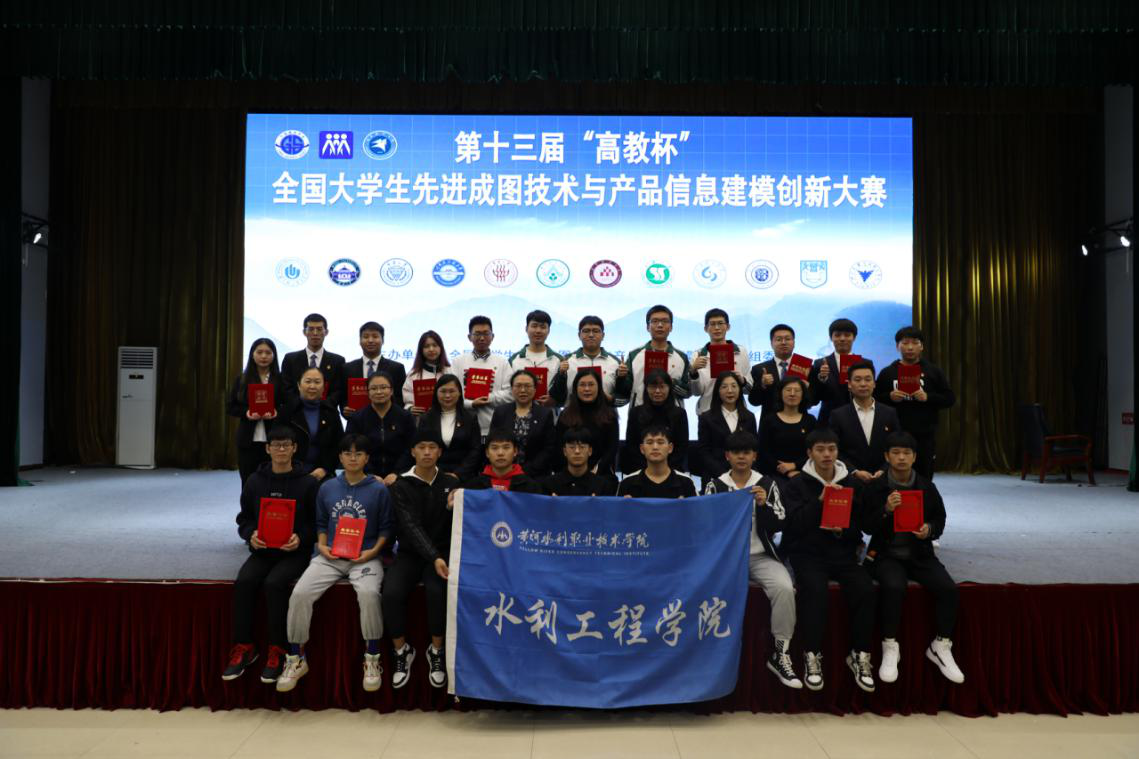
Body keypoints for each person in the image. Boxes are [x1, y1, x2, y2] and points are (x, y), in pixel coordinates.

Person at [276, 434, 394, 693]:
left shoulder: (379, 490)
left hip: (365, 557)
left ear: (367, 458)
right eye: (347, 453)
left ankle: (372, 658)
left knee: (369, 594)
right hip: (330, 556)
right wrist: (322, 546)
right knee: (299, 593)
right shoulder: (327, 487)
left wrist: (372, 552)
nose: (353, 458)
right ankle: (296, 657)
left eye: (358, 454)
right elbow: (320, 522)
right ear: (340, 457)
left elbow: (387, 529)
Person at [781, 428, 880, 693]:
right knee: (815, 591)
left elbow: (863, 525)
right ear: (809, 453)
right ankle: (812, 655)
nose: (827, 454)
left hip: (843, 553)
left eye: (832, 449)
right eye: (820, 449)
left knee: (865, 590)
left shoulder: (852, 483)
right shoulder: (796, 485)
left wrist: (842, 531)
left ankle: (860, 655)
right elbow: (792, 526)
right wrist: (819, 502)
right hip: (808, 554)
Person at [702, 431, 801, 689]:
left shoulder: (766, 484)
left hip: (760, 557)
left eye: (746, 452)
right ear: (727, 456)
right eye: (736, 452)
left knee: (784, 588)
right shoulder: (715, 485)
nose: (741, 457)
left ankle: (780, 653)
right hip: (724, 559)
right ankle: (705, 652)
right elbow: (705, 525)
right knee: (702, 590)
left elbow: (779, 523)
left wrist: (763, 506)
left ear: (754, 456)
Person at [863, 431, 964, 684]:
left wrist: (929, 530)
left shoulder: (927, 486)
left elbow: (939, 519)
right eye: (895, 453)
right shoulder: (876, 487)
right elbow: (866, 526)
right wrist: (886, 510)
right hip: (886, 554)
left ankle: (941, 645)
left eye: (906, 453)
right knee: (894, 587)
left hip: (920, 554)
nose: (901, 458)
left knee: (948, 589)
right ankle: (890, 646)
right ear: (887, 456)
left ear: (915, 457)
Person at [223, 426, 318, 684]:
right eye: (276, 445)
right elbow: (243, 519)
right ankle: (244, 647)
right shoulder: (255, 481)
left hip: (294, 552)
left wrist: (301, 538)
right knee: (244, 582)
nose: (281, 450)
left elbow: (317, 523)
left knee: (275, 584)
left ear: (294, 448)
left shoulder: (308, 483)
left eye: (286, 445)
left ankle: (278, 650)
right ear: (267, 449)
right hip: (263, 549)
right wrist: (250, 534)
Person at [383, 429, 463, 689]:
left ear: (440, 452)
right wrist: (434, 557)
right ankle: (401, 651)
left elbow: (459, 523)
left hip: (442, 554)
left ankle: (436, 651)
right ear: (412, 452)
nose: (427, 452)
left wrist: (453, 507)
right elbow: (410, 526)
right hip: (410, 553)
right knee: (391, 593)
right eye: (421, 447)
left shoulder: (451, 483)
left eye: (432, 447)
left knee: (438, 592)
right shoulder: (401, 485)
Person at [873, 327, 956, 479]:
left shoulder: (933, 371)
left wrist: (928, 397)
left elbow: (949, 398)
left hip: (925, 434)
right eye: (905, 343)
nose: (910, 347)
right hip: (895, 433)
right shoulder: (888, 372)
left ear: (921, 346)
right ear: (897, 346)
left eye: (915, 343)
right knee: (894, 475)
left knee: (924, 474)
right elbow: (874, 398)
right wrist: (890, 397)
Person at [828, 362, 901, 483]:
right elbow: (834, 449)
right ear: (849, 384)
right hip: (850, 480)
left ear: (874, 384)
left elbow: (896, 445)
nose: (863, 384)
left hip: (884, 479)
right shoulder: (838, 415)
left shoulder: (889, 413)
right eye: (857, 380)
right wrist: (854, 471)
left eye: (868, 379)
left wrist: (884, 469)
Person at [226, 338, 285, 484]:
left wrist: (277, 412)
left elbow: (289, 405)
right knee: (248, 480)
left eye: (268, 353)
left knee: (273, 481)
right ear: (252, 354)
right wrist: (246, 413)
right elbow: (230, 406)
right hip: (248, 440)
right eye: (259, 352)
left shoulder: (281, 379)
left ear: (274, 355)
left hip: (274, 440)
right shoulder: (242, 379)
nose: (264, 356)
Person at [345, 371, 415, 484]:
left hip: (401, 476)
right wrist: (369, 474)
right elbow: (352, 448)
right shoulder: (357, 418)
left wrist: (397, 473)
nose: (379, 392)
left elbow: (411, 448)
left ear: (391, 390)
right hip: (364, 476)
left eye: (383, 387)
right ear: (367, 392)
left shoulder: (405, 417)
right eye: (373, 388)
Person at [277, 367, 344, 482]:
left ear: (324, 387)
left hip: (323, 474)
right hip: (291, 472)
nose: (312, 386)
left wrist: (325, 469)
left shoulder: (331, 412)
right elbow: (277, 443)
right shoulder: (287, 411)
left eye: (317, 382)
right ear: (299, 385)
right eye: (308, 381)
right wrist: (292, 468)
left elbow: (339, 445)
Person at [451, 315, 513, 437]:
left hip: (493, 426)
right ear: (469, 337)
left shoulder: (502, 362)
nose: (482, 338)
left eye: (486, 333)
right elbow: (451, 393)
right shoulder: (458, 362)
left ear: (492, 336)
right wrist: (471, 403)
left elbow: (510, 394)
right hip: (462, 426)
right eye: (477, 334)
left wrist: (488, 398)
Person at [489, 370, 557, 478]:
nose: (523, 390)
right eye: (518, 386)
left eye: (528, 386)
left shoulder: (545, 414)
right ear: (512, 389)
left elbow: (549, 447)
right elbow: (493, 442)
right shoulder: (500, 412)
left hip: (535, 475)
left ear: (535, 389)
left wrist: (528, 470)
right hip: (504, 473)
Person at [621, 369, 689, 475]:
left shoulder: (679, 414)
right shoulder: (636, 413)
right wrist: (648, 470)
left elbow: (682, 447)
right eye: (653, 387)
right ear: (646, 389)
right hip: (640, 470)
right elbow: (631, 445)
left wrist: (665, 470)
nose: (657, 391)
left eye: (662, 387)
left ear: (669, 388)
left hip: (672, 470)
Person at [549, 315, 628, 407]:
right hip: (573, 414)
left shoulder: (615, 362)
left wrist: (621, 380)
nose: (591, 335)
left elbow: (624, 397)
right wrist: (561, 374)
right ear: (579, 335)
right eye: (586, 331)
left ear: (603, 336)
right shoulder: (566, 361)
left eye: (596, 331)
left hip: (605, 414)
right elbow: (556, 396)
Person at [693, 371, 757, 483]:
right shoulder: (706, 418)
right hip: (715, 476)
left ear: (739, 390)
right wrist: (724, 476)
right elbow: (703, 451)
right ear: (718, 391)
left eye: (734, 386)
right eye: (724, 387)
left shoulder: (749, 417)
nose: (730, 390)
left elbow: (754, 448)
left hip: (744, 476)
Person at [416, 374, 482, 481]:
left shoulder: (470, 418)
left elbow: (475, 450)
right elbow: (422, 448)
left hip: (464, 476)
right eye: (443, 391)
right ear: (436, 393)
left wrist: (458, 474)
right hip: (433, 475)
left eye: (452, 391)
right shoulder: (426, 418)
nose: (447, 395)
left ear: (459, 393)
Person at [622, 305, 692, 407]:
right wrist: (621, 377)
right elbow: (624, 391)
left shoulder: (681, 357)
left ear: (671, 327)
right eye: (655, 321)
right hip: (640, 412)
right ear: (647, 327)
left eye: (665, 321)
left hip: (672, 413)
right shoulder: (634, 355)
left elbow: (688, 392)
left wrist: (672, 383)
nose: (660, 325)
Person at [554, 370, 619, 478]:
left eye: (591, 384)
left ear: (599, 388)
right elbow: (559, 447)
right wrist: (572, 471)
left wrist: (597, 470)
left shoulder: (609, 415)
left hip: (600, 474)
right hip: (570, 473)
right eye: (582, 385)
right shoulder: (565, 415)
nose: (587, 389)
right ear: (575, 388)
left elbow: (612, 448)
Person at [690, 308, 751, 414]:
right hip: (707, 411)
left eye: (720, 323)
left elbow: (748, 389)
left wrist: (742, 381)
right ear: (706, 328)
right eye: (712, 324)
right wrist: (693, 372)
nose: (717, 328)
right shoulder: (698, 355)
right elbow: (696, 392)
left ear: (728, 326)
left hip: (737, 411)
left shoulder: (741, 352)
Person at [757, 376, 816, 484]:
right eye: (788, 390)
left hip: (805, 473)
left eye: (797, 390)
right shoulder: (769, 420)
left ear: (803, 394)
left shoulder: (810, 420)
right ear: (780, 393)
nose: (792, 394)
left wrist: (795, 466)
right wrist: (785, 470)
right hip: (774, 475)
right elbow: (763, 452)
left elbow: (815, 451)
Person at [280, 313, 347, 407]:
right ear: (304, 332)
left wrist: (322, 406)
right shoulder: (290, 359)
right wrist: (302, 406)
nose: (315, 333)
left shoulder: (337, 361)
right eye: (311, 329)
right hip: (296, 412)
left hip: (327, 412)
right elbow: (286, 388)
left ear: (326, 332)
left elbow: (338, 390)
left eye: (319, 329)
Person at [342, 321, 407, 416]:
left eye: (375, 336)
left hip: (389, 421)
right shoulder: (347, 368)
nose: (370, 340)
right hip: (357, 421)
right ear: (360, 341)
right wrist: (345, 410)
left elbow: (400, 398)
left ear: (383, 340)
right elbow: (343, 397)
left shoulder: (397, 368)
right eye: (366, 337)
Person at [616, 427, 698, 499]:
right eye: (649, 442)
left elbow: (697, 511)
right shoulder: (627, 483)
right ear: (642, 449)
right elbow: (616, 511)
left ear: (670, 448)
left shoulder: (686, 483)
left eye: (660, 442)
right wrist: (624, 506)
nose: (655, 447)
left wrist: (686, 508)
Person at [807, 317, 859, 427]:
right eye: (837, 335)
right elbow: (814, 399)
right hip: (828, 420)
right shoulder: (819, 364)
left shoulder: (864, 364)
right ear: (831, 338)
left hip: (857, 419)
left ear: (854, 337)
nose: (842, 339)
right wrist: (821, 379)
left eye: (847, 335)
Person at [459, 427, 545, 493]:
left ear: (515, 451)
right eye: (494, 448)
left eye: (506, 447)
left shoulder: (531, 487)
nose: (500, 453)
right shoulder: (472, 487)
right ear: (487, 453)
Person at [507, 309, 562, 408]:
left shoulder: (559, 360)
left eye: (543, 327)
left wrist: (554, 401)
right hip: (518, 412)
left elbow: (563, 393)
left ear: (549, 331)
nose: (538, 331)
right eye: (534, 326)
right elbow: (507, 391)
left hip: (548, 414)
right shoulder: (514, 359)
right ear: (526, 328)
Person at [542, 427, 618, 496]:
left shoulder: (602, 486)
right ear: (564, 451)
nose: (577, 451)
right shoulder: (550, 485)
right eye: (572, 447)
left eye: (582, 447)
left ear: (590, 451)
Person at [748, 324, 798, 413]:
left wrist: (805, 389)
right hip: (769, 420)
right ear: (771, 344)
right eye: (779, 339)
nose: (783, 342)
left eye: (787, 339)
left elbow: (814, 401)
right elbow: (754, 401)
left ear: (794, 342)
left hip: (799, 418)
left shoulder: (804, 367)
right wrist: (762, 385)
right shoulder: (759, 369)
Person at [402, 330, 451, 415]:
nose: (431, 349)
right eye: (426, 346)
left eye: (435, 345)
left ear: (441, 348)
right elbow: (407, 399)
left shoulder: (450, 371)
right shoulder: (413, 374)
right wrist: (410, 408)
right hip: (421, 419)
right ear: (421, 350)